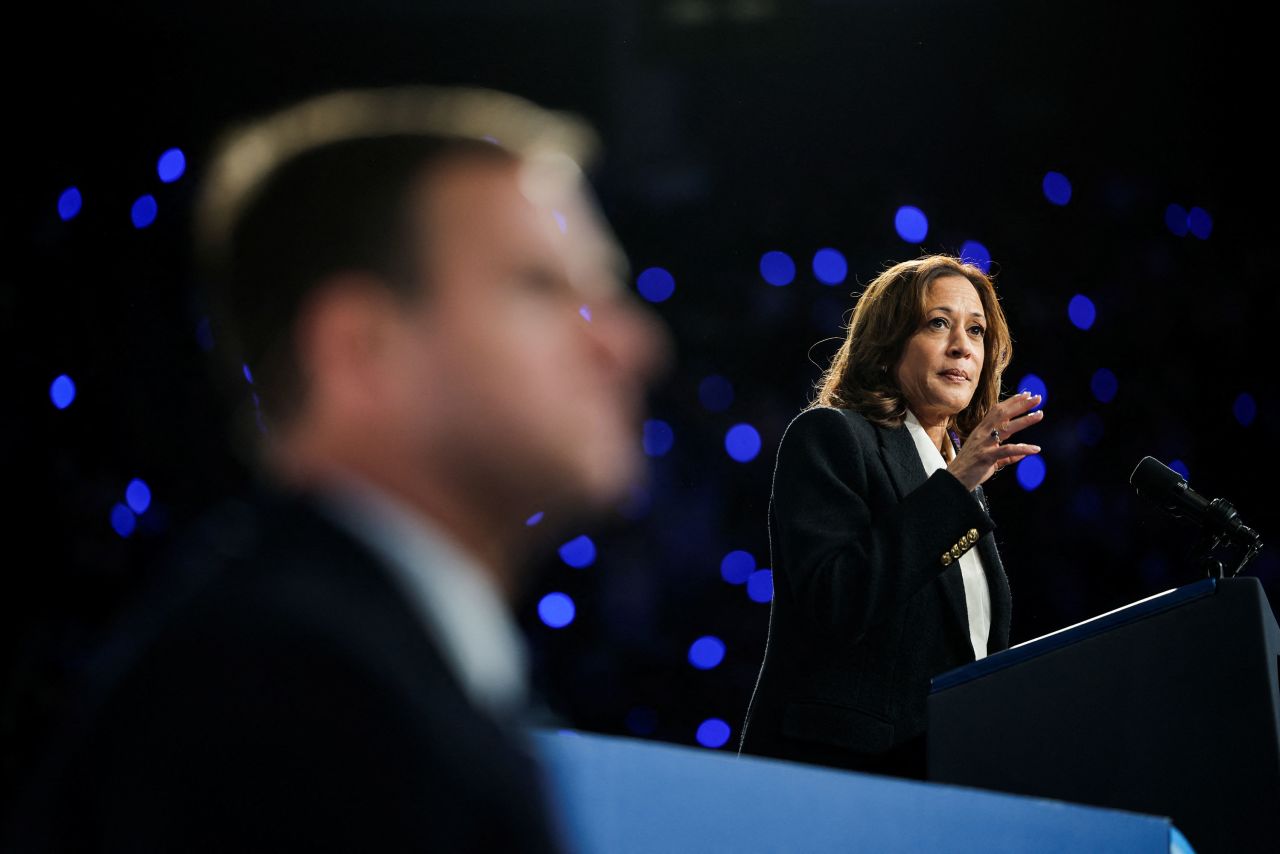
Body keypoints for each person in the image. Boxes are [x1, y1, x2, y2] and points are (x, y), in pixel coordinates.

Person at [12, 86, 665, 851]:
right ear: (359, 352)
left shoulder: (339, 660)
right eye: (543, 288)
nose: (629, 346)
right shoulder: (290, 697)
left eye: (604, 292)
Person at [738, 254, 1042, 779]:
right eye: (938, 323)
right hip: (840, 777)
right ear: (887, 344)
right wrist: (955, 487)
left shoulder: (954, 478)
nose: (962, 346)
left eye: (976, 330)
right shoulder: (831, 437)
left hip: (943, 776)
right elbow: (838, 600)